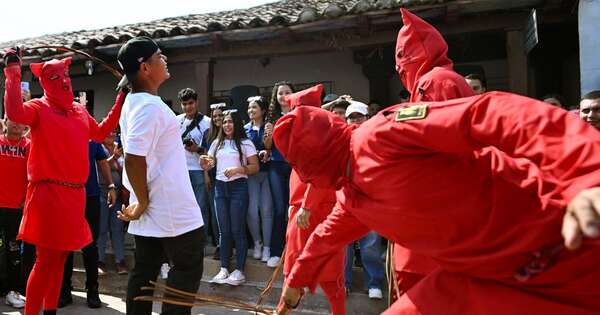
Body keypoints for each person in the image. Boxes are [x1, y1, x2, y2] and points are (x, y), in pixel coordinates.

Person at [276, 91, 600, 315]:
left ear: (309, 165)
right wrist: (294, 285)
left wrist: (590, 173)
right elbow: (322, 240)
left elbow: (487, 113)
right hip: (485, 276)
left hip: (557, 231)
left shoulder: (381, 133)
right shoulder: (350, 196)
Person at [2, 47, 125, 315]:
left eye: (65, 74)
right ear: (45, 81)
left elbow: (102, 131)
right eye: (55, 77)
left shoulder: (79, 111)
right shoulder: (38, 108)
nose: (64, 80)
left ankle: (50, 311)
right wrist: (12, 73)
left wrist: (122, 96)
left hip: (75, 196)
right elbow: (14, 111)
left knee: (60, 258)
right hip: (47, 194)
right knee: (45, 261)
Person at [116, 36, 205, 315]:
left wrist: (141, 200)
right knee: (184, 272)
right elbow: (133, 157)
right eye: (159, 56)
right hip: (169, 207)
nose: (164, 59)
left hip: (154, 205)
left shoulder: (134, 101)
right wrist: (141, 201)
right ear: (144, 68)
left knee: (144, 273)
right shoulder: (148, 107)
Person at [393, 7, 476, 297]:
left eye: (402, 59)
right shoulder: (445, 79)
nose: (400, 70)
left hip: (434, 220)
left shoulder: (434, 83)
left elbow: (432, 150)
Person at [277, 84, 347, 315]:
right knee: (300, 271)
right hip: (305, 209)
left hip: (314, 212)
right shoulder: (318, 127)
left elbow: (322, 175)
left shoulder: (315, 131)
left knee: (308, 272)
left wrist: (306, 206)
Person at [201, 110, 259, 285]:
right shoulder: (216, 143)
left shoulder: (245, 142)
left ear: (237, 124)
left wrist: (238, 170)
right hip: (220, 188)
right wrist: (205, 163)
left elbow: (255, 167)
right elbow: (209, 162)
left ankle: (240, 270)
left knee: (237, 230)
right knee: (223, 231)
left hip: (238, 187)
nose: (227, 125)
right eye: (225, 122)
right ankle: (224, 268)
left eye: (230, 122)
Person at [60, 139, 116, 309]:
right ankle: (64, 291)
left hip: (89, 198)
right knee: (65, 246)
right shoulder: (62, 135)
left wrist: (111, 186)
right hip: (66, 197)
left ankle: (92, 290)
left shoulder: (92, 141)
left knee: (90, 246)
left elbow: (102, 162)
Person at [342, 101, 385, 300]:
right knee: (345, 245)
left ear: (368, 119)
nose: (355, 121)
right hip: (347, 199)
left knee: (370, 245)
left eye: (359, 117)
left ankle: (374, 282)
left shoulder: (378, 139)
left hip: (372, 199)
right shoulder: (341, 142)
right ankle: (343, 283)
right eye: (352, 117)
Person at [263, 81, 294, 268]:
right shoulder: (271, 118)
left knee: (294, 210)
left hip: (296, 167)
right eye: (280, 93)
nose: (283, 96)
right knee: (279, 209)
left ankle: (294, 250)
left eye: (287, 92)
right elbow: (267, 146)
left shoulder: (299, 114)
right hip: (276, 166)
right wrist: (270, 134)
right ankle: (276, 251)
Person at [0, 116, 30, 309]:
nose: (16, 124)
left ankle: (12, 292)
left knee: (13, 252)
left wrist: (27, 200)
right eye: (12, 120)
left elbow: (33, 174)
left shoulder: (29, 146)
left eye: (20, 121)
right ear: (5, 122)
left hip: (16, 209)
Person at [177, 88, 212, 241]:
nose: (188, 107)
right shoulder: (176, 120)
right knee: (183, 207)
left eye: (190, 103)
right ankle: (185, 238)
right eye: (184, 104)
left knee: (201, 207)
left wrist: (197, 148)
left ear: (196, 102)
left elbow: (212, 149)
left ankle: (201, 240)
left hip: (199, 169)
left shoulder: (207, 122)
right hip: (180, 171)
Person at [244, 96, 274, 262]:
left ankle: (267, 247)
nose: (251, 111)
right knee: (251, 211)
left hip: (269, 173)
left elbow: (274, 147)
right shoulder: (244, 129)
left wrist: (268, 151)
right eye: (249, 108)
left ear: (262, 110)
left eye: (254, 107)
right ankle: (257, 242)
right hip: (251, 174)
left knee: (266, 210)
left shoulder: (269, 127)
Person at [97, 129, 128, 275]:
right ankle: (100, 261)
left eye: (114, 132)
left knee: (117, 228)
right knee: (102, 228)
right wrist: (114, 158)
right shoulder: (98, 147)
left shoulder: (120, 146)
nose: (111, 134)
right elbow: (101, 165)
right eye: (107, 132)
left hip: (118, 193)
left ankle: (120, 261)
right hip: (102, 192)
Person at [203, 103, 226, 259]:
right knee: (214, 211)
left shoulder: (230, 131)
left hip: (226, 175)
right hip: (211, 176)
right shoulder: (207, 133)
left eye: (220, 115)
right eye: (215, 116)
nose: (217, 118)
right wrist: (205, 175)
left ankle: (227, 243)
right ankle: (219, 244)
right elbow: (204, 155)